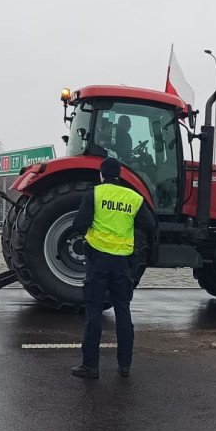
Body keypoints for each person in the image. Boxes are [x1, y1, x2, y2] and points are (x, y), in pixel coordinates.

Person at [70, 157, 156, 379]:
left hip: (98, 261)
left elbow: (79, 225)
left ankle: (90, 366)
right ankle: (124, 366)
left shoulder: (95, 194)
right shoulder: (134, 198)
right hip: (122, 263)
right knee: (123, 311)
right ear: (119, 175)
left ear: (101, 174)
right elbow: (149, 225)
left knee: (94, 312)